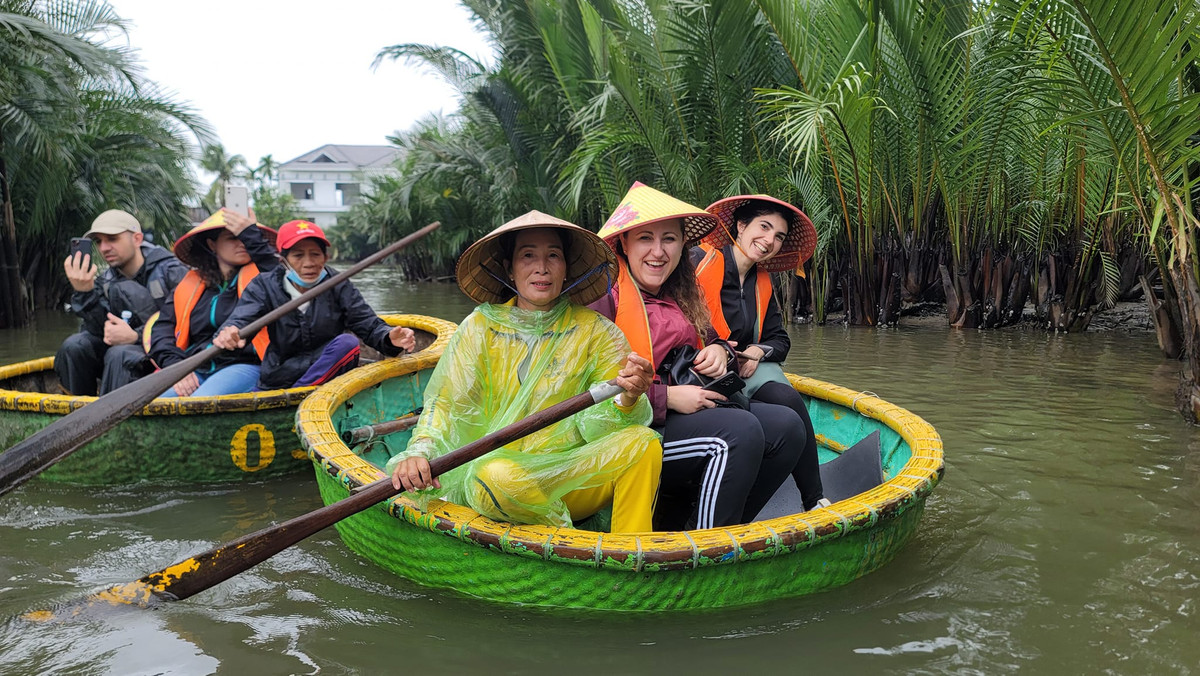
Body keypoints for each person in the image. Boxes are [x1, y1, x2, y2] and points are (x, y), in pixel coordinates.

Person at [386, 211, 662, 533]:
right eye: (528, 255)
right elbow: (447, 406)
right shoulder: (480, 327)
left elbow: (601, 428)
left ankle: (629, 553)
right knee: (494, 476)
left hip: (569, 476)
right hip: (499, 482)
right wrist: (420, 453)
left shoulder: (598, 332)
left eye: (553, 256)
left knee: (644, 443)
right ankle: (566, 537)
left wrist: (628, 398)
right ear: (510, 269)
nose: (541, 268)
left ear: (566, 268)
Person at [588, 181, 807, 530]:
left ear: (681, 246)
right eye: (645, 238)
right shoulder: (603, 294)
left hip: (693, 409)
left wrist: (721, 352)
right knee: (740, 431)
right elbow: (584, 384)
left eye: (669, 239)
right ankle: (707, 545)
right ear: (624, 243)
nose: (658, 252)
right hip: (636, 427)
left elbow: (718, 341)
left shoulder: (681, 291)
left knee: (788, 427)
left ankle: (701, 520)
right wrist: (667, 397)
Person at [696, 194, 829, 511]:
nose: (769, 240)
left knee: (788, 399)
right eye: (764, 227)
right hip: (701, 368)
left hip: (744, 370)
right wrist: (720, 350)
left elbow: (780, 340)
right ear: (741, 226)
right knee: (753, 413)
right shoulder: (696, 263)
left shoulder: (761, 281)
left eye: (779, 236)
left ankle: (813, 498)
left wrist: (756, 351)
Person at [211, 220, 415, 389]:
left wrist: (389, 337)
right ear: (284, 260)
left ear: (325, 257)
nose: (308, 263)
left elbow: (367, 323)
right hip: (279, 376)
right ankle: (293, 396)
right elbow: (241, 319)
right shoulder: (265, 284)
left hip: (326, 374)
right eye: (298, 255)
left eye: (315, 254)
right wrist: (230, 333)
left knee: (347, 344)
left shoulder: (338, 283)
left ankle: (299, 395)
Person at [147, 208, 280, 397]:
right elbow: (162, 332)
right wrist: (177, 369)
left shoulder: (266, 277)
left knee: (197, 403)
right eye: (233, 237)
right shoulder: (189, 285)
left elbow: (280, 280)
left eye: (246, 236)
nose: (242, 243)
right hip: (194, 368)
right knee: (152, 403)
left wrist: (253, 237)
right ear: (212, 244)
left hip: (246, 365)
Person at [56, 209, 188, 395]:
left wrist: (137, 336)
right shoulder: (105, 281)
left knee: (120, 354)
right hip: (118, 360)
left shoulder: (171, 272)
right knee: (73, 347)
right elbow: (96, 329)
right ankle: (77, 414)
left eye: (112, 239)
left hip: (163, 353)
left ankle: (111, 420)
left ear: (137, 239)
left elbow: (188, 321)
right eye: (99, 241)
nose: (104, 248)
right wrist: (84, 292)